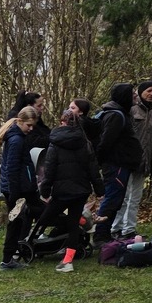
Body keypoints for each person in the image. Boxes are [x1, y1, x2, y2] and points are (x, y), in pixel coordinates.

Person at [38, 105, 102, 271]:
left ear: (62, 122)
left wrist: (45, 190)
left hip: (62, 190)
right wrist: (99, 190)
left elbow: (49, 170)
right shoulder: (85, 143)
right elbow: (93, 169)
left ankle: (36, 239)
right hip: (81, 189)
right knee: (73, 225)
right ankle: (68, 260)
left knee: (46, 217)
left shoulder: (55, 143)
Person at [93, 83, 142, 242]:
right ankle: (101, 235)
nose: (135, 95)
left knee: (116, 199)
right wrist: (102, 162)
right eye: (132, 93)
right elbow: (106, 142)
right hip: (116, 165)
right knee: (112, 199)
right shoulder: (116, 116)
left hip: (120, 164)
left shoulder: (121, 113)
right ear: (124, 96)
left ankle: (105, 233)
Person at [0, 106, 43, 269]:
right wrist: (15, 193)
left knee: (20, 220)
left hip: (21, 187)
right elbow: (12, 168)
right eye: (28, 125)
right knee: (15, 222)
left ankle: (15, 252)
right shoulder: (16, 140)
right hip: (17, 189)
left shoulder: (18, 137)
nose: (30, 129)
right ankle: (7, 259)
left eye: (32, 126)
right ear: (20, 121)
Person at [120, 82, 152, 235]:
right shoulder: (131, 109)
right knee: (123, 196)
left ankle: (129, 229)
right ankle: (116, 228)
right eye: (149, 90)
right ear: (140, 92)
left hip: (144, 161)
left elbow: (150, 139)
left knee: (135, 197)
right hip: (128, 159)